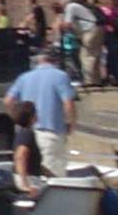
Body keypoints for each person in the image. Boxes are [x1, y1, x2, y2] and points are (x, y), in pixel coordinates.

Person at [4, 46, 76, 176]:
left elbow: (8, 101)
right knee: (53, 175)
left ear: (38, 60)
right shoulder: (60, 76)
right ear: (55, 60)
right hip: (51, 132)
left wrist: (19, 120)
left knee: (30, 172)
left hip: (26, 133)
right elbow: (68, 103)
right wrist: (71, 123)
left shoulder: (24, 77)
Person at [60, 0, 101, 86]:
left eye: (61, 0)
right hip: (96, 28)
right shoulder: (76, 6)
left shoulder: (70, 7)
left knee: (85, 56)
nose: (60, 2)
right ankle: (96, 79)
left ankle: (89, 81)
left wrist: (61, 27)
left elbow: (67, 24)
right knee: (94, 55)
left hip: (89, 31)